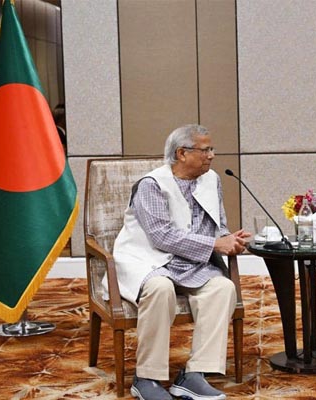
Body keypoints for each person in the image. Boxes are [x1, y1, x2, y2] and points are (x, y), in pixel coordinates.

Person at [113, 124, 250, 400]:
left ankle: (194, 374)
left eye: (212, 149)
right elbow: (162, 236)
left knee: (223, 288)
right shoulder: (151, 185)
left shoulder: (211, 179)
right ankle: (146, 378)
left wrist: (229, 239)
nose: (211, 155)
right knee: (160, 288)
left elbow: (218, 225)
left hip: (192, 263)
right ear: (182, 153)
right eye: (205, 150)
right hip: (151, 260)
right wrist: (215, 244)